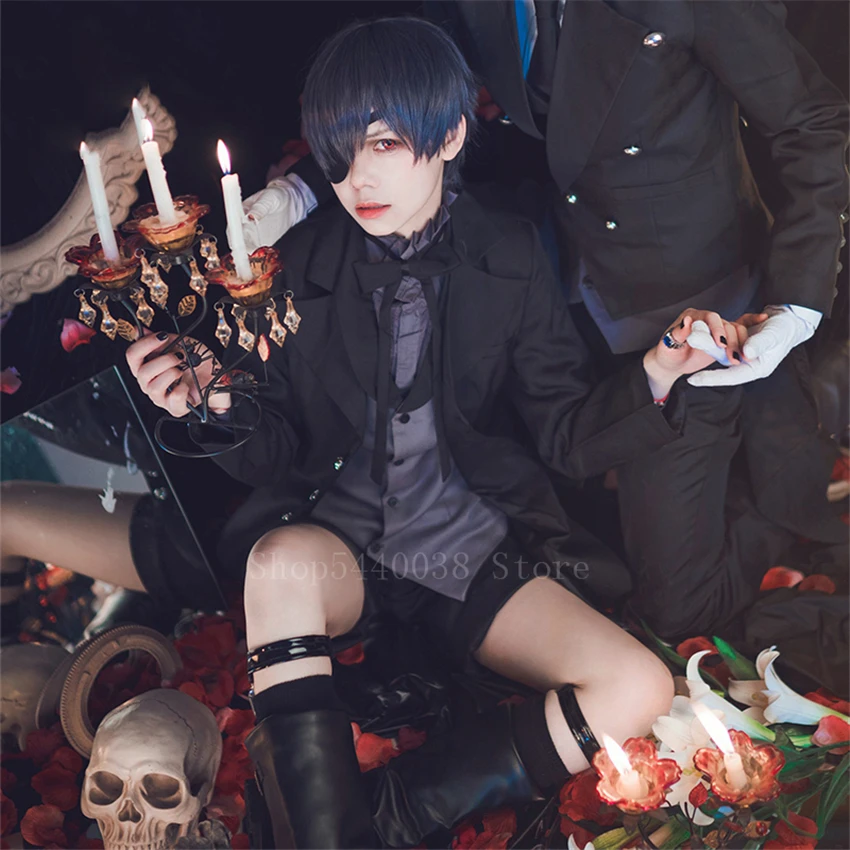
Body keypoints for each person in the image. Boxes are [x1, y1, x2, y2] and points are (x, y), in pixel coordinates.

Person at [125, 17, 770, 849]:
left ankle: (372, 826)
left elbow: (565, 432)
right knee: (276, 563)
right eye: (338, 151)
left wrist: (657, 371)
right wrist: (209, 403)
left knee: (637, 686)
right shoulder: (291, 268)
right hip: (338, 544)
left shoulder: (509, 253)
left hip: (463, 546)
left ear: (452, 133)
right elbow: (274, 453)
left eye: (385, 143)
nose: (358, 177)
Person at [239, 0, 850, 637]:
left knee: (673, 607)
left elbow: (811, 120)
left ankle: (784, 450)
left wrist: (797, 306)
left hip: (691, 309)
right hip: (558, 296)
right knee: (579, 532)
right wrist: (297, 191)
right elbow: (405, 102)